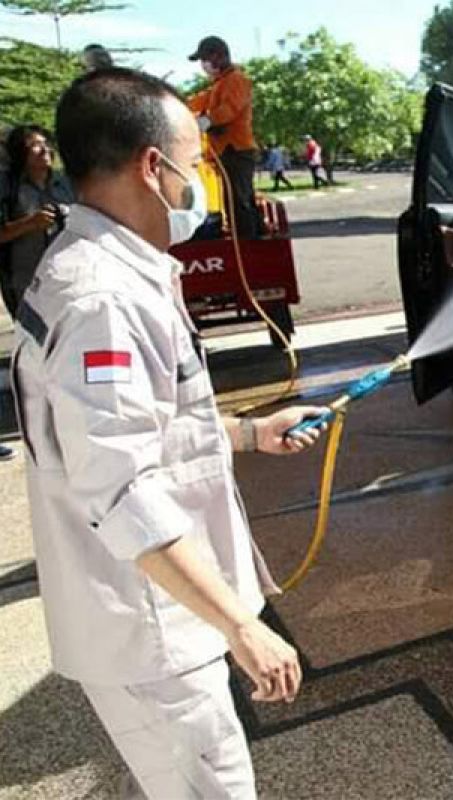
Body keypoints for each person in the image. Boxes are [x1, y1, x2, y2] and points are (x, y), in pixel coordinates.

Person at [11, 67, 329, 798]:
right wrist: (241, 627)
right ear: (152, 168)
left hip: (159, 615)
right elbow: (121, 487)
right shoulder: (104, 303)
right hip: (154, 629)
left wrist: (248, 436)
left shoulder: (109, 271)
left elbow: (134, 429)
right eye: (195, 166)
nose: (200, 187)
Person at [185, 35, 262, 239]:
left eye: (205, 59)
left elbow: (230, 109)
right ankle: (248, 237)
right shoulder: (220, 83)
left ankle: (247, 244)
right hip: (227, 150)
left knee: (239, 200)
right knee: (235, 198)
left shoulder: (237, 79)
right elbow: (202, 100)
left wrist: (208, 121)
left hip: (236, 149)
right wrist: (179, 104)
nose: (203, 65)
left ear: (218, 56)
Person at [0, 124, 74, 317]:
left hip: (69, 277)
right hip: (26, 283)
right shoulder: (9, 188)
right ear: (20, 152)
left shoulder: (65, 184)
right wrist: (30, 223)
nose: (45, 149)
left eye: (46, 143)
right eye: (35, 145)